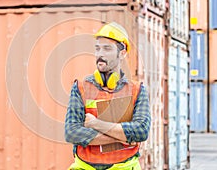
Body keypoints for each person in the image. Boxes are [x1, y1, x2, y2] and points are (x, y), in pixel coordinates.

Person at [64, 22, 151, 170]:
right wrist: (124, 137)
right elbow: (72, 133)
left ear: (122, 53)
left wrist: (97, 124)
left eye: (107, 48)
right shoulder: (80, 88)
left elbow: (141, 132)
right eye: (97, 48)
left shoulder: (137, 90)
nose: (100, 54)